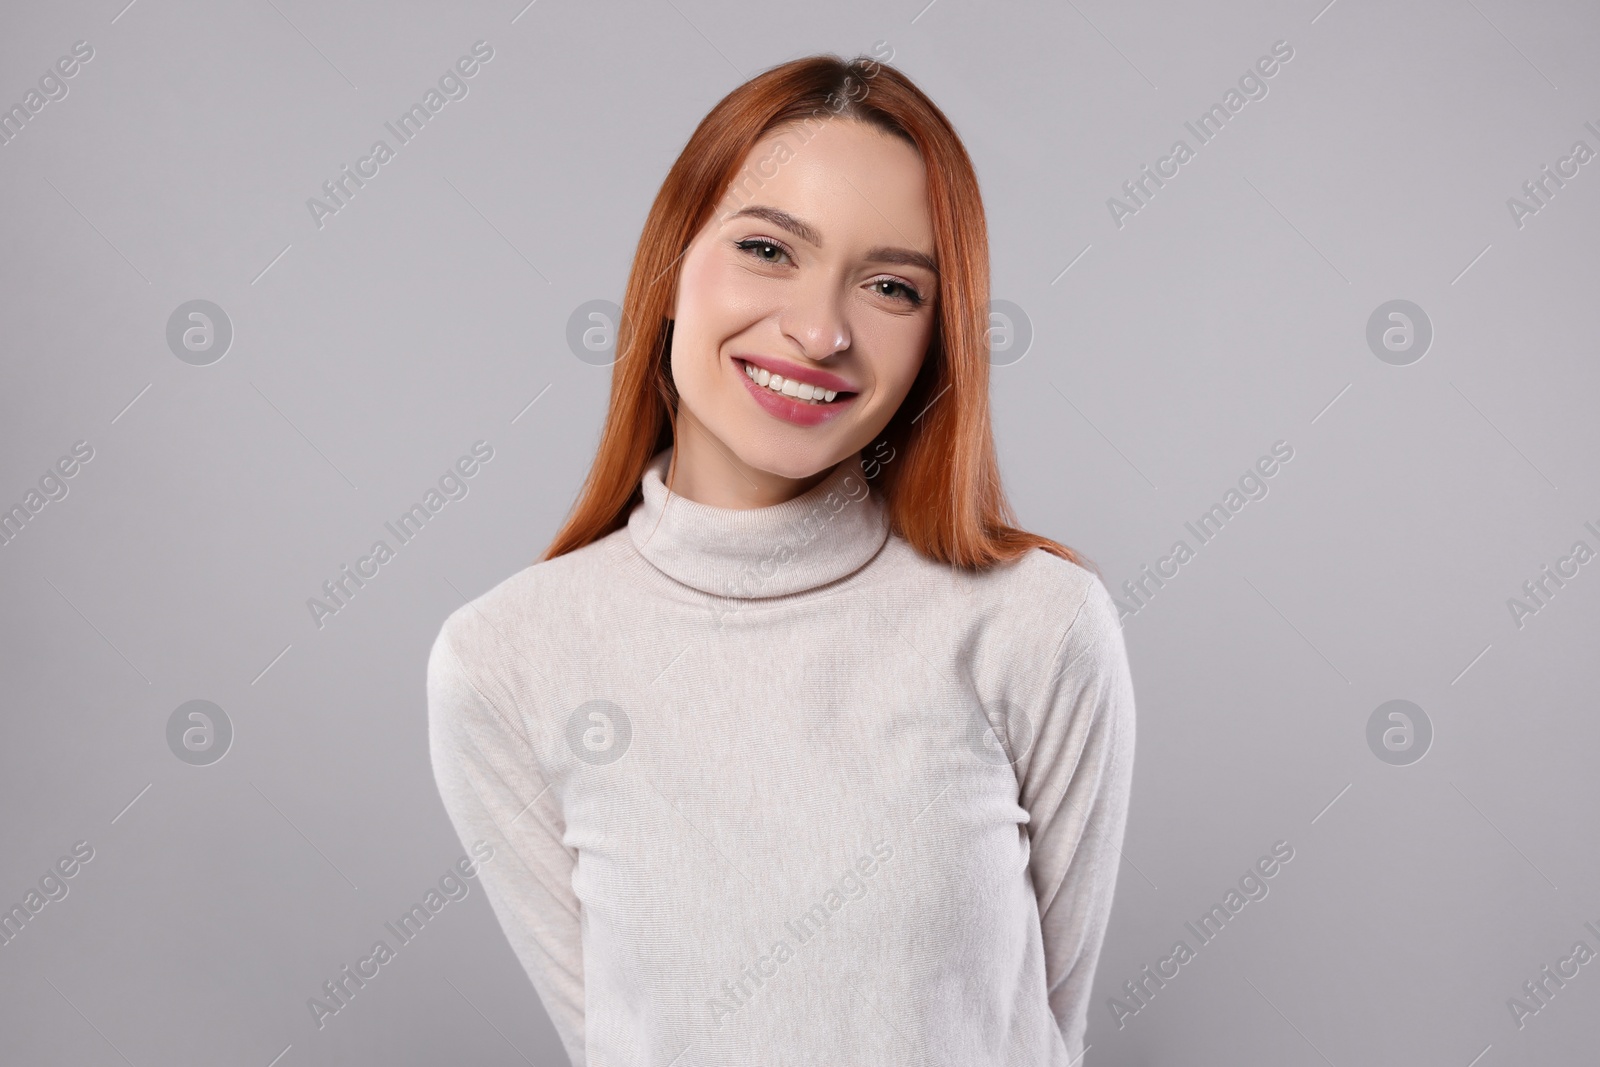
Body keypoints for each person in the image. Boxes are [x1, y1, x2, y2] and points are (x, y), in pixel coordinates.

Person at [428, 50, 1135, 1067]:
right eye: (768, 248)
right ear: (670, 266)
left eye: (891, 285)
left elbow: (1038, 1033)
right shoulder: (503, 659)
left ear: (936, 339)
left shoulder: (1038, 621)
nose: (818, 330)